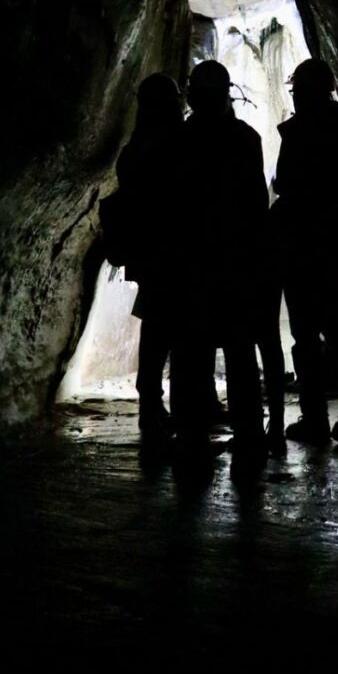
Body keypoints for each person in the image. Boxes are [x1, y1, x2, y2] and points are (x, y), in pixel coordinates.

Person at [271, 58, 338, 445]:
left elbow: (285, 182)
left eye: (297, 90)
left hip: (303, 243)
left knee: (305, 332)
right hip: (336, 243)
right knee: (334, 326)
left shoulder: (301, 131)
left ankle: (315, 418)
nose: (296, 97)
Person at [174, 60, 268, 475]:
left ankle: (192, 436)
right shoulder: (246, 138)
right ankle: (249, 435)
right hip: (235, 260)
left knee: (192, 352)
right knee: (239, 351)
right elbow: (255, 205)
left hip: (194, 261)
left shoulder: (181, 138)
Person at [114, 73, 184, 443]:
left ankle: (151, 405)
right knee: (172, 329)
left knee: (156, 327)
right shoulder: (177, 142)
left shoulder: (138, 145)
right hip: (177, 251)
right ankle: (163, 406)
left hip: (151, 253)